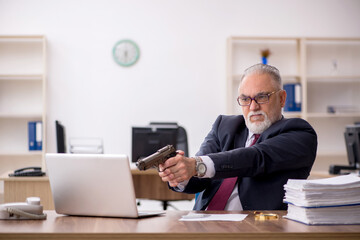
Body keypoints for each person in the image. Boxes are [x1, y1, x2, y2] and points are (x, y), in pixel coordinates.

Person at [159, 63, 317, 211]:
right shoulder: (225, 126)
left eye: (262, 97)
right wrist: (179, 174)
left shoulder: (300, 133)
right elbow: (199, 179)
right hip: (203, 222)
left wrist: (195, 165)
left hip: (258, 228)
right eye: (245, 99)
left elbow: (256, 158)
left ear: (282, 98)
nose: (253, 107)